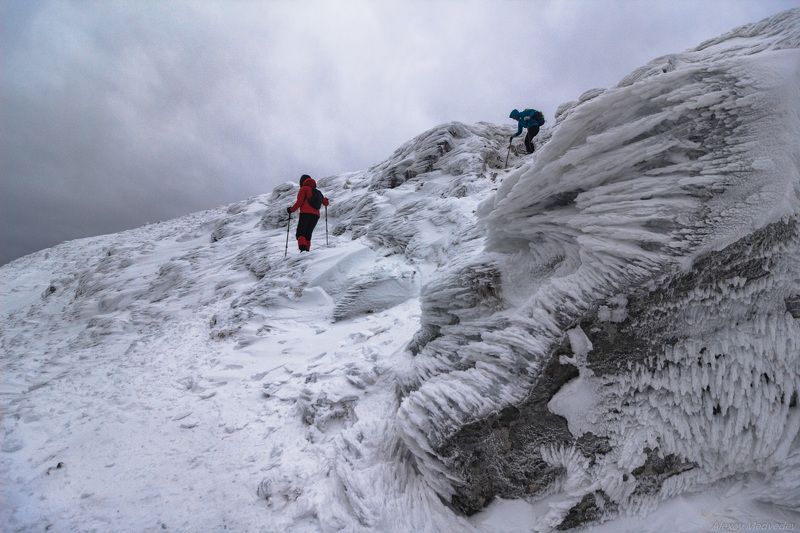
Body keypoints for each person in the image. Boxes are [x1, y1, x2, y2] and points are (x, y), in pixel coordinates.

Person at [287, 174, 329, 252]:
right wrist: (326, 200)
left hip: (305, 213)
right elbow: (325, 203)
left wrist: (291, 210)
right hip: (316, 216)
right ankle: (307, 251)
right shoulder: (318, 192)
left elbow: (299, 202)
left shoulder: (304, 189)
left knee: (300, 233)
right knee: (308, 234)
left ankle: (303, 250)